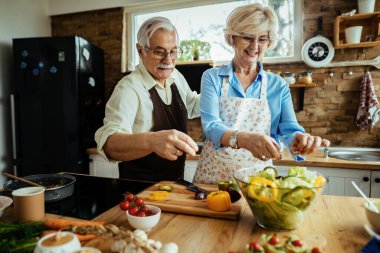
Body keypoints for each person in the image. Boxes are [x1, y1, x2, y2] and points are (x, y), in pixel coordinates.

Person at [193, 3, 330, 184]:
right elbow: (210, 126)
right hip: (213, 177)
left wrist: (298, 140)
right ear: (233, 37)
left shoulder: (278, 85)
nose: (255, 46)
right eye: (248, 37)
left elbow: (289, 129)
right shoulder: (212, 77)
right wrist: (244, 139)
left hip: (258, 180)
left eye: (263, 39)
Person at [95, 17, 200, 181]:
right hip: (139, 193)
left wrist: (220, 93)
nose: (168, 61)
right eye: (159, 52)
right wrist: (152, 141)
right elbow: (109, 144)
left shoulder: (176, 77)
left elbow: (192, 106)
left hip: (173, 186)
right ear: (140, 50)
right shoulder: (128, 88)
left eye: (173, 51)